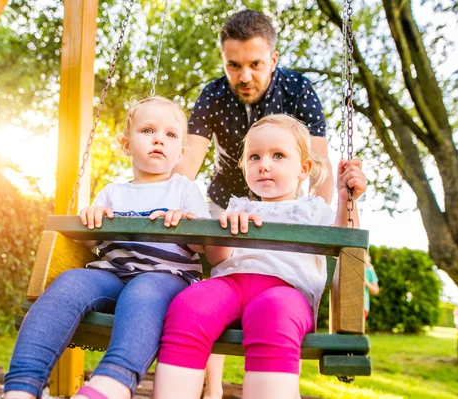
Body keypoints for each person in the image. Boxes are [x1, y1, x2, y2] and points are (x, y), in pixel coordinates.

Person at [3, 97, 211, 399]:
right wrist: (91, 220)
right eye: (147, 131)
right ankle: (21, 386)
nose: (158, 140)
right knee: (70, 282)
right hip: (113, 273)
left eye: (170, 135)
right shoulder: (112, 193)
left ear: (180, 152)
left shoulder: (184, 189)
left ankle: (112, 383)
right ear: (126, 145)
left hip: (165, 278)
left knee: (144, 290)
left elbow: (202, 245)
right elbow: (90, 244)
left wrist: (186, 221)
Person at [174, 11, 335, 397]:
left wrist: (316, 224)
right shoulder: (213, 94)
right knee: (211, 281)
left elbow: (320, 165)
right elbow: (189, 161)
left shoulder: (298, 90)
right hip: (225, 202)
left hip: (286, 202)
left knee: (271, 291)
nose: (244, 76)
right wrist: (173, 200)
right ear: (224, 61)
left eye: (255, 65)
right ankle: (211, 388)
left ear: (273, 59)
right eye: (234, 65)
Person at [152, 114, 367, 399]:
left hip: (287, 294)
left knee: (272, 313)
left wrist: (347, 200)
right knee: (189, 305)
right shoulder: (237, 207)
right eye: (254, 157)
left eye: (278, 155)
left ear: (303, 169)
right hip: (230, 285)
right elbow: (218, 258)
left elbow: (345, 239)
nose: (264, 164)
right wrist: (223, 231)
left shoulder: (312, 209)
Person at [364, 252, 379, 320]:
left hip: (363, 306)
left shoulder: (369, 270)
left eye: (366, 254)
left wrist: (366, 283)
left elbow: (376, 290)